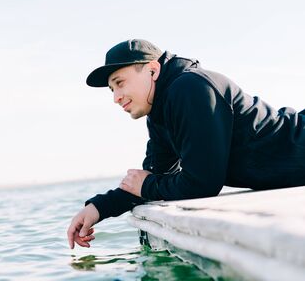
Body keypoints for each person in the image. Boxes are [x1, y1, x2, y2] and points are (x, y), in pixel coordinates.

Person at [67, 39, 305, 249]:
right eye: (112, 89)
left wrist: (149, 185)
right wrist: (98, 208)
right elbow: (154, 176)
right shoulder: (160, 113)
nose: (116, 97)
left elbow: (202, 183)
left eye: (120, 83)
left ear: (152, 70)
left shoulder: (190, 88)